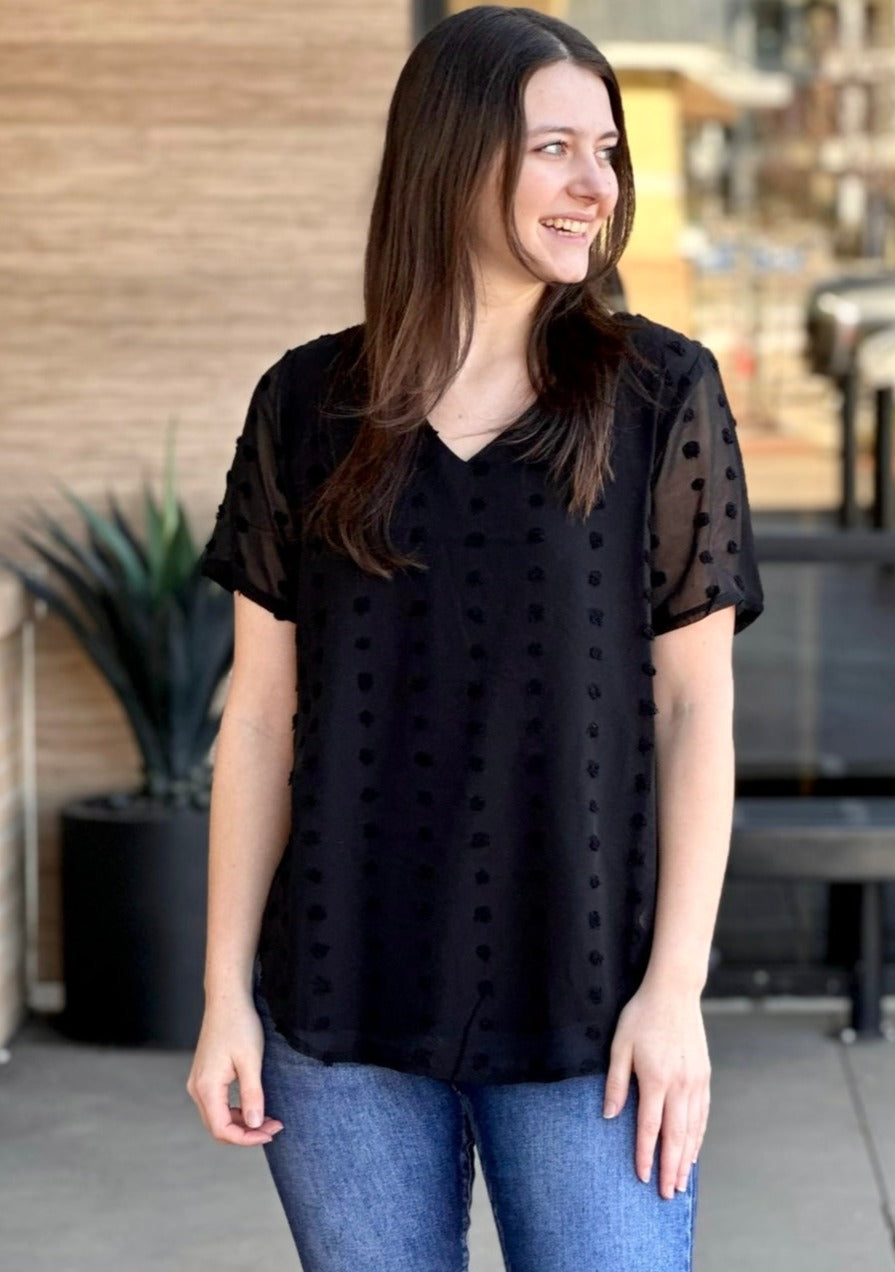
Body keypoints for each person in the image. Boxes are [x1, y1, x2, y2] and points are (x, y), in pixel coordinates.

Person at [186, 6, 764, 1269]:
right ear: (450, 158)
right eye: (556, 148)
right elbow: (261, 717)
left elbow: (696, 709)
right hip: (338, 1001)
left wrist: (675, 993)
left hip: (589, 1004)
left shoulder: (660, 393)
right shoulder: (306, 404)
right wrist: (226, 992)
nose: (596, 186)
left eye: (607, 152)